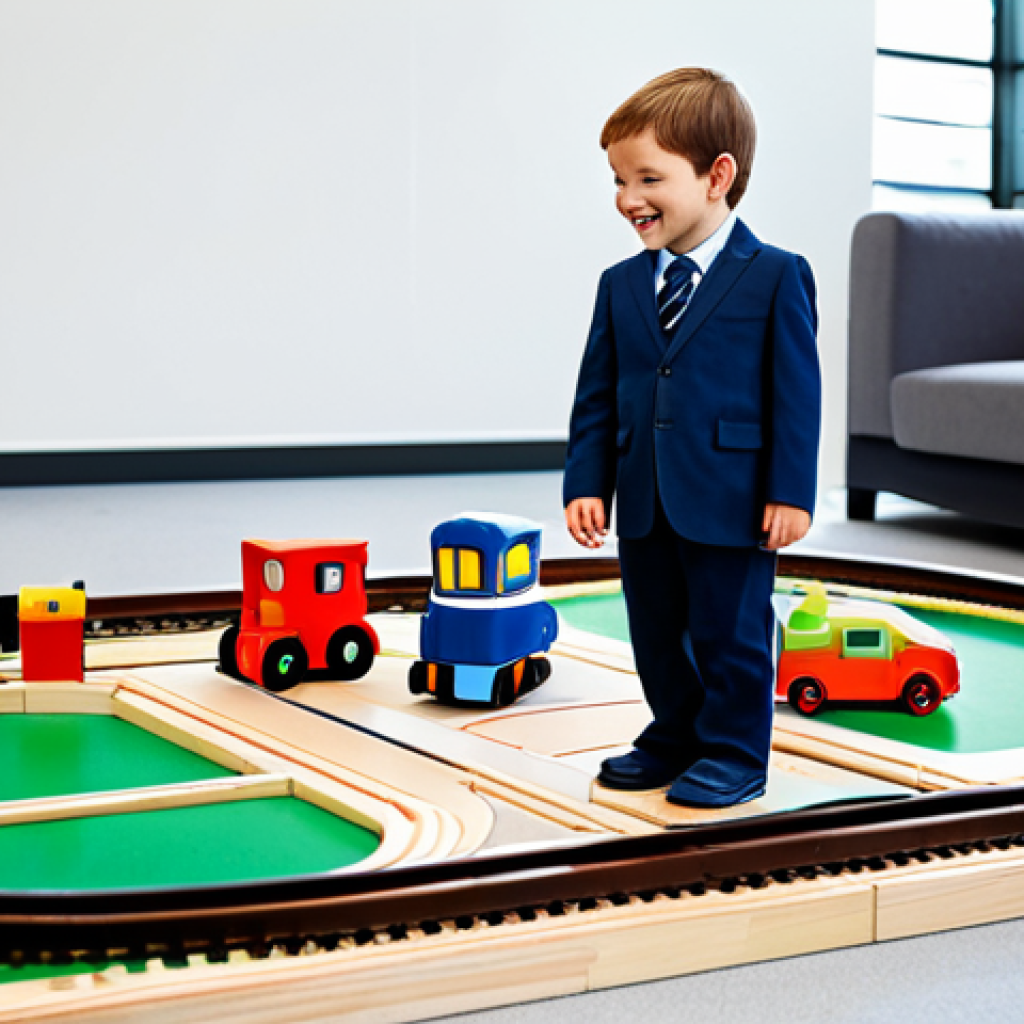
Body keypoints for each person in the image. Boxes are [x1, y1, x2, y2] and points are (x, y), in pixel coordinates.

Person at [563, 68, 821, 808]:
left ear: (718, 176)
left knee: (730, 631)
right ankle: (673, 732)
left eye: (648, 178)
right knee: (655, 626)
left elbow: (797, 393)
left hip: (734, 498)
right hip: (644, 494)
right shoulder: (619, 284)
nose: (627, 199)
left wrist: (789, 493)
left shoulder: (774, 276)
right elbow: (598, 393)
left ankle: (736, 751)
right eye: (617, 179)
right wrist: (587, 481)